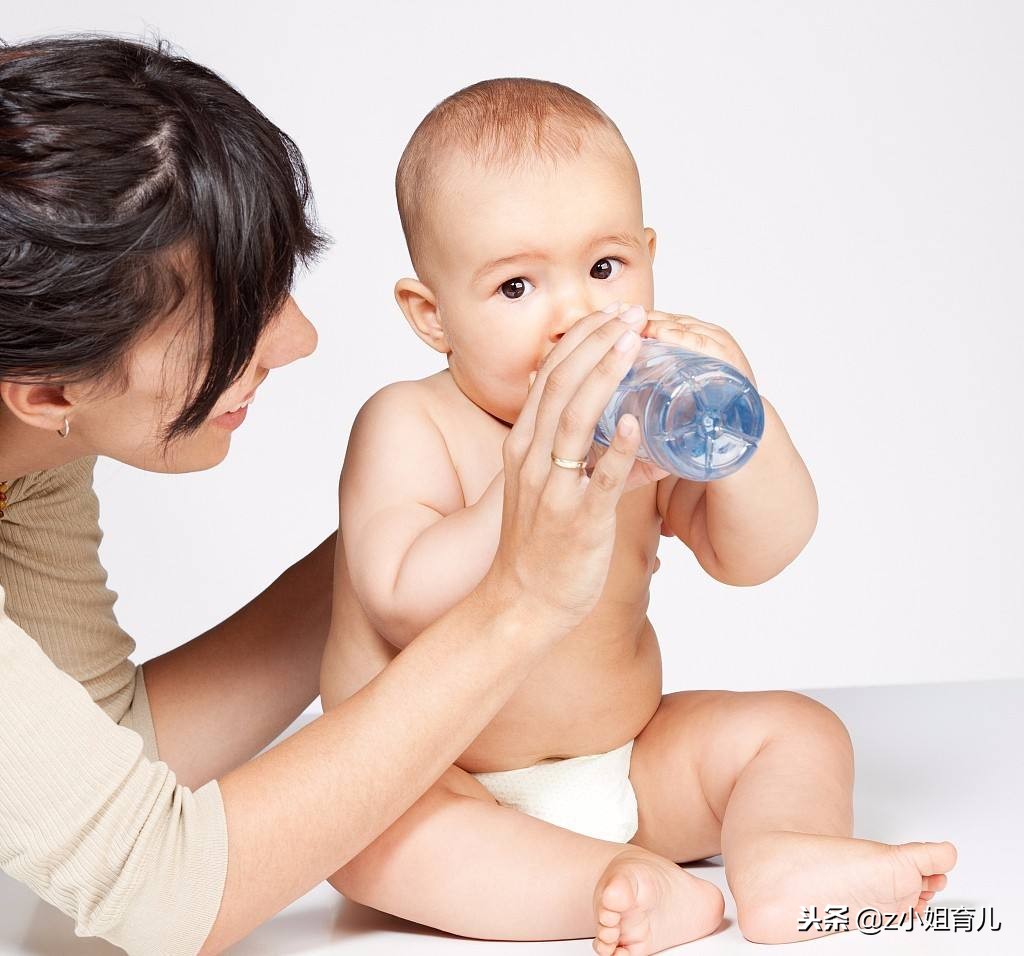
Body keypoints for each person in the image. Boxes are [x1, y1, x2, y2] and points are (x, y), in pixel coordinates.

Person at [0, 38, 653, 956]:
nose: (298, 338)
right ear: (51, 393)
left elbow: (114, 749)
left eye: (279, 284)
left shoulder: (29, 449)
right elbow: (155, 892)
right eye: (235, 317)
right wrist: (519, 604)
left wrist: (466, 523)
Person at [321, 78, 958, 953]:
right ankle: (614, 887)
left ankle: (782, 861)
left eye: (605, 267)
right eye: (515, 287)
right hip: (450, 782)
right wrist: (533, 476)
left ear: (649, 256)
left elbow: (758, 552)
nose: (575, 313)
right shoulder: (409, 421)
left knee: (796, 730)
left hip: (629, 761)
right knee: (364, 836)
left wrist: (746, 420)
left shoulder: (643, 425)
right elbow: (398, 593)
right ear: (431, 315)